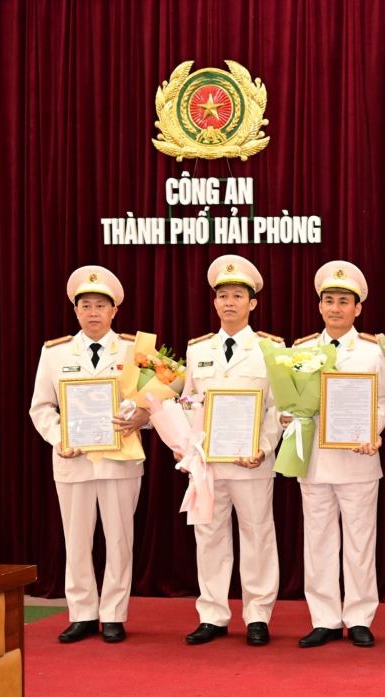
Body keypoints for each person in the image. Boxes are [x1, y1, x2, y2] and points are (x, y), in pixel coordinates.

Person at [29, 266, 150, 643]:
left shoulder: (135, 350)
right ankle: (82, 612)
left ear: (115, 311)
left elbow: (154, 406)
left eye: (101, 305)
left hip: (120, 459)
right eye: (86, 305)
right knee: (76, 539)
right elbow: (41, 407)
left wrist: (143, 418)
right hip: (73, 458)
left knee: (119, 539)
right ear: (76, 311)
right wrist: (58, 437)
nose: (93, 312)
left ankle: (114, 614)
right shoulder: (55, 353)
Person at [180, 255, 283, 646]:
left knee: (257, 534)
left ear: (252, 303)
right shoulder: (198, 350)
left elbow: (279, 407)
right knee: (208, 535)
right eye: (222, 295)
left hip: (250, 460)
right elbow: (189, 401)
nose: (229, 302)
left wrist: (263, 445)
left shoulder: (270, 349)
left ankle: (257, 614)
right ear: (214, 302)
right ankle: (213, 614)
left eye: (237, 295)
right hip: (208, 463)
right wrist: (186, 446)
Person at [289, 260, 385, 648]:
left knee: (361, 541)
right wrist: (288, 416)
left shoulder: (373, 351)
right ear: (319, 306)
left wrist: (373, 432)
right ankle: (325, 618)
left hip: (359, 458)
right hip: (314, 461)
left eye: (343, 301)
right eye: (328, 300)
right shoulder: (300, 351)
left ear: (358, 308)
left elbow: (381, 401)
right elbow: (292, 402)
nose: (335, 308)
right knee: (318, 541)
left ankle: (360, 616)